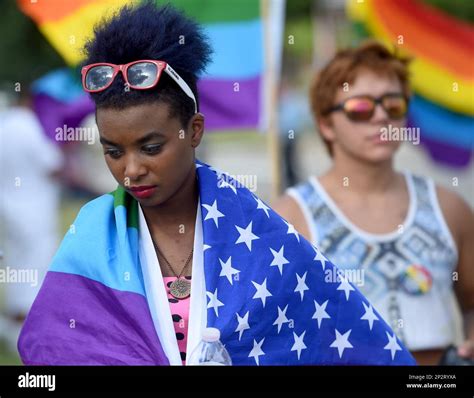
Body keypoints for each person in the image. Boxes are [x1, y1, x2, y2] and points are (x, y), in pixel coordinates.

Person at [18, 4, 415, 366]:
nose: (131, 170)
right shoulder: (89, 234)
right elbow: (51, 350)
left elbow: (344, 343)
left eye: (151, 147)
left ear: (194, 131)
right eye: (113, 151)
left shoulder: (263, 233)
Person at [274, 41, 474, 365]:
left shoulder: (450, 209)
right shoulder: (289, 218)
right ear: (326, 124)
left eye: (393, 105)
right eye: (361, 108)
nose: (381, 116)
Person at [0, 90, 63, 352]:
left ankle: (11, 326)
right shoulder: (28, 125)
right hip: (34, 209)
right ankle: (24, 333)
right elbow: (53, 164)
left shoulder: (3, 125)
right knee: (35, 268)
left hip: (8, 208)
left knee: (16, 265)